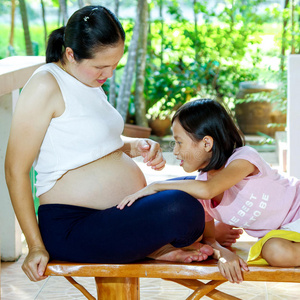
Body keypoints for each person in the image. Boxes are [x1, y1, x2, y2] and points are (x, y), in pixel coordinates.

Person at [5, 6, 213, 282]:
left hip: (115, 215)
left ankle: (153, 248)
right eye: (101, 66)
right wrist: (34, 247)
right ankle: (157, 246)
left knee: (201, 183)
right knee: (180, 206)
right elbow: (14, 170)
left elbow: (93, 144)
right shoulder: (46, 84)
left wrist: (135, 146)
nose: (109, 74)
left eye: (115, 65)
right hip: (73, 225)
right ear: (71, 54)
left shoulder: (89, 82)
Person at [118, 98, 300, 283]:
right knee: (275, 252)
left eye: (179, 142)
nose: (175, 152)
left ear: (206, 143)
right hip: (284, 234)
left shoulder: (244, 158)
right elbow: (210, 239)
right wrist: (223, 254)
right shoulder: (200, 191)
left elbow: (209, 189)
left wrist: (155, 186)